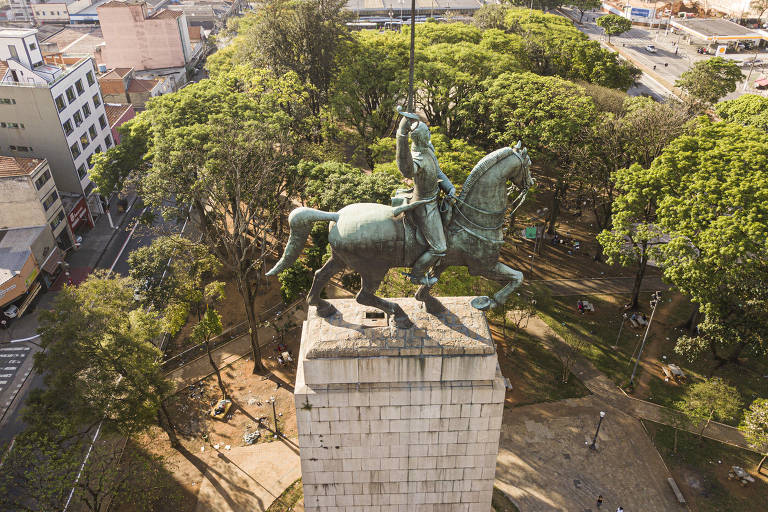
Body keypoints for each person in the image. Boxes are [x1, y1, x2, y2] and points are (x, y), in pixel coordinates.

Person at [396, 112, 456, 287]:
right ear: (421, 139)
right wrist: (401, 134)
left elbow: (438, 172)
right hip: (424, 205)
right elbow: (405, 169)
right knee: (439, 248)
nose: (429, 136)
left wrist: (449, 187)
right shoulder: (417, 160)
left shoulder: (428, 149)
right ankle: (416, 275)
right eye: (427, 134)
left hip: (436, 197)